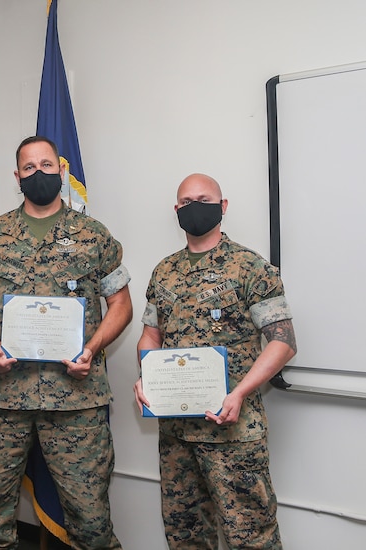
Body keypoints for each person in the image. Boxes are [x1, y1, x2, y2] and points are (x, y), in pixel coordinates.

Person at [0, 136, 132, 549]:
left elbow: (121, 304)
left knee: (90, 520)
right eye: (29, 167)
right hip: (4, 396)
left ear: (61, 170)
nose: (39, 173)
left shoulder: (93, 236)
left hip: (76, 398)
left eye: (46, 165)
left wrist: (91, 348)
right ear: (17, 177)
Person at [134, 173, 297, 549]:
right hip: (177, 434)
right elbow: (150, 336)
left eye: (203, 199)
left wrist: (240, 392)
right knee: (185, 535)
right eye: (186, 201)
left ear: (222, 207)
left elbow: (283, 342)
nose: (195, 207)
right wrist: (147, 378)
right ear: (177, 211)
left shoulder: (250, 267)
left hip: (233, 434)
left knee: (251, 536)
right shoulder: (164, 272)